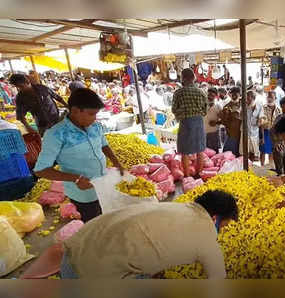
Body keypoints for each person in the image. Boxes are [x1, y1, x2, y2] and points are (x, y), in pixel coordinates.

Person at [60, 190, 239, 279]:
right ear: (215, 217)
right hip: (88, 276)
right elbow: (218, 279)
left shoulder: (177, 206)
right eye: (224, 225)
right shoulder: (207, 238)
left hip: (72, 253)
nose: (222, 229)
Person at [34, 88, 124, 223]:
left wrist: (116, 162)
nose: (94, 119)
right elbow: (41, 170)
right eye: (91, 114)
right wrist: (76, 179)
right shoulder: (56, 134)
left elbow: (104, 144)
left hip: (103, 185)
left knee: (110, 220)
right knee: (94, 226)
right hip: (83, 195)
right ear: (75, 110)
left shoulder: (95, 127)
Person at [172, 68, 207, 177]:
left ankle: (187, 176)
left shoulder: (178, 93)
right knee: (200, 149)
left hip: (185, 122)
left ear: (183, 78)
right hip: (198, 122)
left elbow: (174, 109)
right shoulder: (201, 92)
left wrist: (182, 113)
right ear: (193, 78)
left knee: (185, 151)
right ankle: (199, 173)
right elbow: (205, 110)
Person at [259, 91, 281, 167]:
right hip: (264, 132)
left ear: (275, 98)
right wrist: (261, 137)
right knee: (263, 151)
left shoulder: (278, 109)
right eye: (268, 97)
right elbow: (261, 123)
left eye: (271, 97)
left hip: (274, 133)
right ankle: (262, 167)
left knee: (272, 151)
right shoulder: (263, 108)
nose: (269, 99)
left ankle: (270, 167)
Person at [239, 90, 263, 161]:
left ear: (253, 98)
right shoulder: (244, 106)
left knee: (254, 154)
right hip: (245, 132)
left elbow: (261, 119)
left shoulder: (259, 106)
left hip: (254, 133)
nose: (247, 99)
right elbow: (240, 117)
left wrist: (259, 121)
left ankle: (251, 167)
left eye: (248, 98)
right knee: (244, 153)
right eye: (246, 98)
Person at [219, 87, 242, 156]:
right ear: (230, 94)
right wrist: (225, 116)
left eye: (236, 93)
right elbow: (223, 122)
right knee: (229, 156)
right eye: (232, 93)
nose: (234, 95)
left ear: (239, 94)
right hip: (231, 134)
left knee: (241, 155)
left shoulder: (244, 104)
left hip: (242, 134)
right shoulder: (226, 106)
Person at [204, 87, 222, 152]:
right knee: (204, 153)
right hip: (203, 132)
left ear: (215, 96)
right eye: (208, 95)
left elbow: (223, 120)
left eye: (212, 95)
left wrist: (216, 122)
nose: (210, 97)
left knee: (214, 152)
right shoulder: (203, 104)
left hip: (214, 133)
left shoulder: (218, 106)